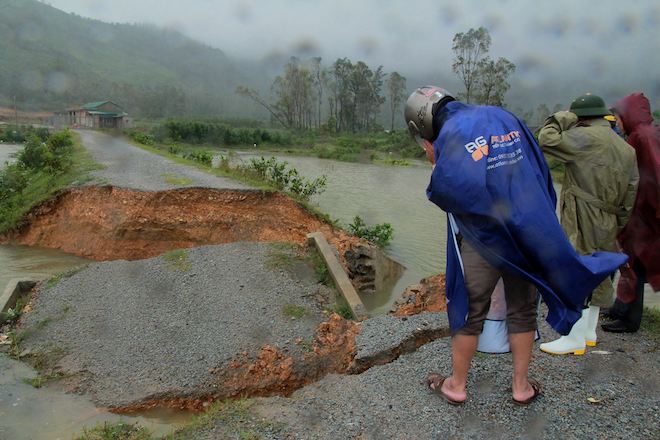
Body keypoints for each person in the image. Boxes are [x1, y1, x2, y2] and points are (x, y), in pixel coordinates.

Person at [404, 86, 627, 405]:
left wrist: (435, 156)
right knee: (522, 310)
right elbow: (538, 170)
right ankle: (521, 387)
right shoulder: (503, 116)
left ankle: (456, 385)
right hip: (526, 235)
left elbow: (448, 189)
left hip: (484, 239)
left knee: (469, 310)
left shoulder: (451, 133)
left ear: (422, 123)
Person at [537, 93, 638, 355]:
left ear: (581, 118)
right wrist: (618, 223)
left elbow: (545, 139)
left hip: (583, 212)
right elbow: (631, 191)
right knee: (600, 272)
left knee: (577, 270)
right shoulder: (625, 147)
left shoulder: (585, 137)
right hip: (611, 217)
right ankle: (589, 332)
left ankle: (573, 339)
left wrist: (563, 116)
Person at [601, 92, 660, 333]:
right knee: (628, 262)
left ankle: (629, 319)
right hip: (638, 213)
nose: (616, 119)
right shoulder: (640, 135)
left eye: (617, 115)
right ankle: (621, 308)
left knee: (634, 266)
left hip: (645, 216)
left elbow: (656, 175)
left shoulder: (644, 137)